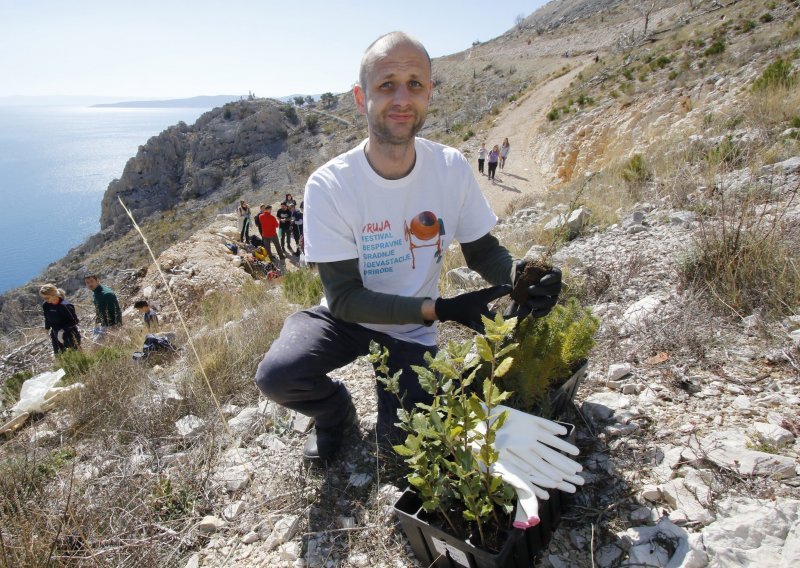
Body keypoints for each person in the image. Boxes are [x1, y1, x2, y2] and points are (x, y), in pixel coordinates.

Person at [254, 32, 561, 462]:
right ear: (362, 98)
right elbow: (344, 299)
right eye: (386, 84)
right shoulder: (330, 184)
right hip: (346, 318)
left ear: (430, 94)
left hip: (412, 333)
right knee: (279, 376)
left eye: (415, 83)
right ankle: (334, 411)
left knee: (405, 449)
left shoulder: (450, 167)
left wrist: (520, 276)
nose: (402, 97)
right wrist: (443, 309)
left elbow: (482, 250)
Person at [39, 284, 81, 354]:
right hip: (55, 334)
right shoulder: (46, 305)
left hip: (69, 334)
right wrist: (47, 329)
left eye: (47, 298)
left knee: (75, 355)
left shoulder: (66, 305)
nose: (45, 300)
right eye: (43, 298)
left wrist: (62, 331)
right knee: (59, 356)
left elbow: (74, 321)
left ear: (53, 295)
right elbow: (47, 318)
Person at [84, 274, 123, 340]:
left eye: (91, 281)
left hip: (111, 326)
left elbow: (117, 311)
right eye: (87, 283)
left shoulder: (107, 294)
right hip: (102, 324)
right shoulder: (95, 293)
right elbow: (99, 310)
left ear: (97, 280)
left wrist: (118, 328)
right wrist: (97, 322)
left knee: (96, 346)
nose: (90, 284)